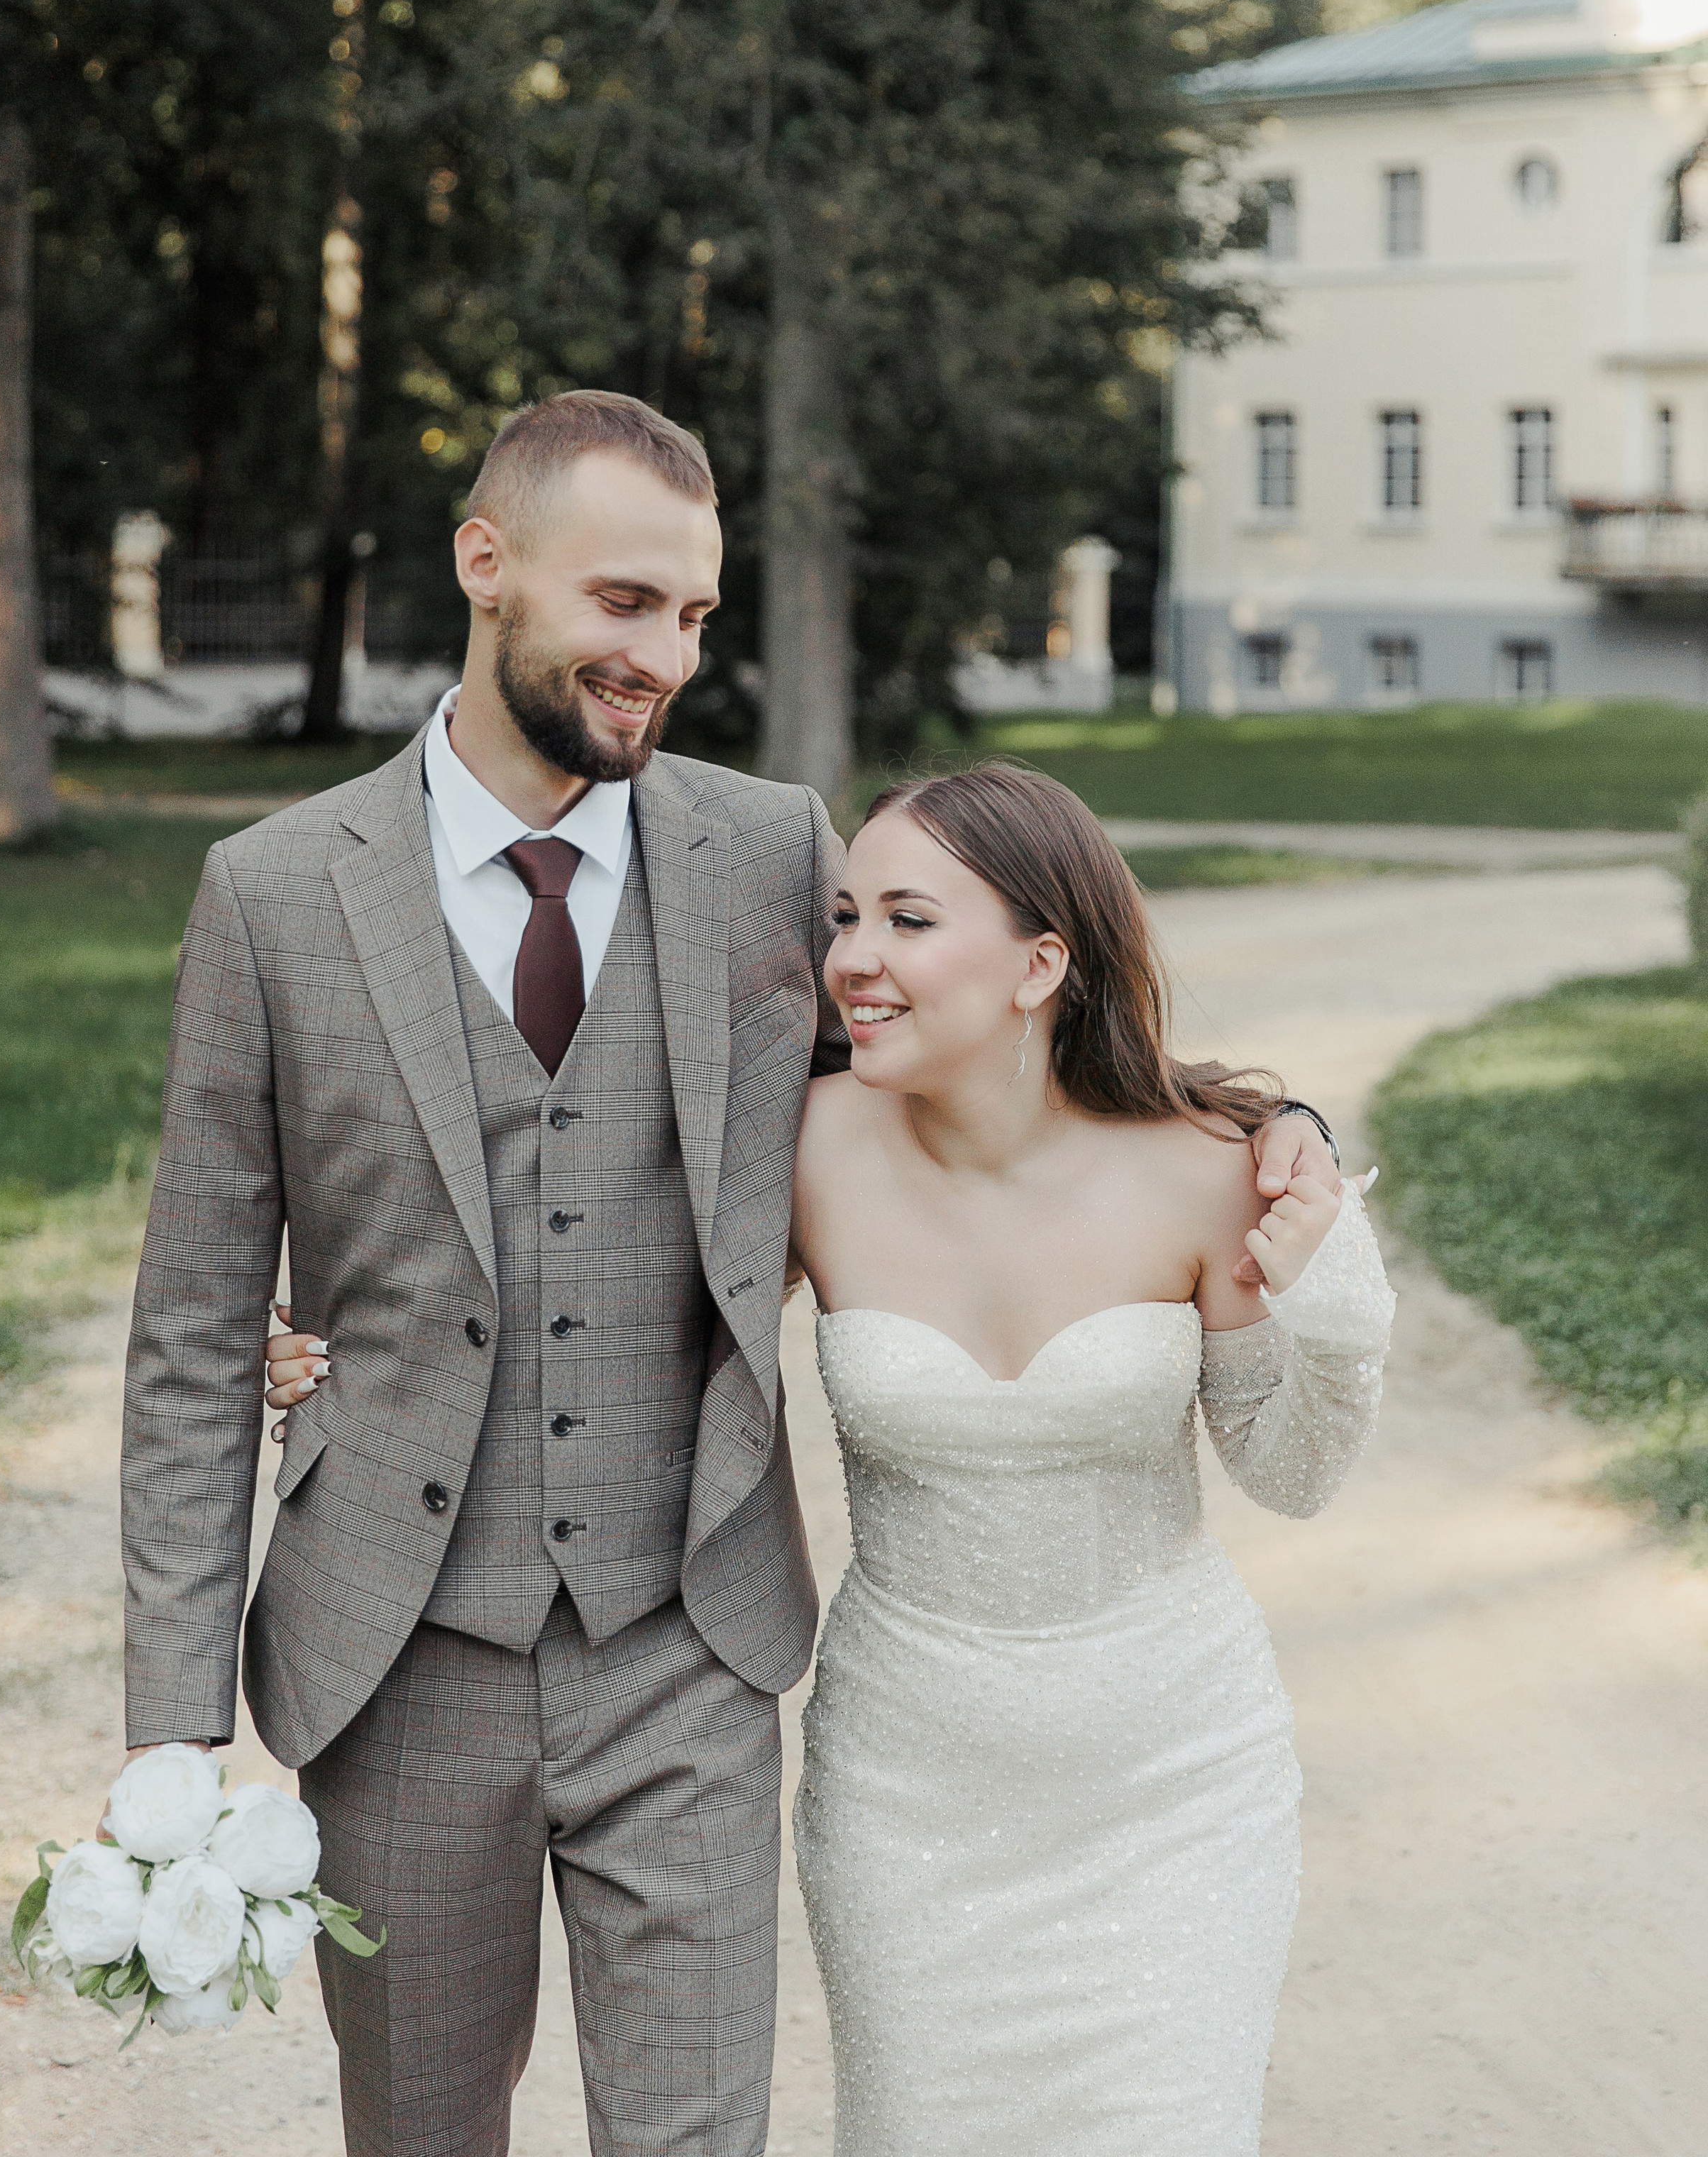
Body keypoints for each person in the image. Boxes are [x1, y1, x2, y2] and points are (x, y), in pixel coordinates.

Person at [123, 387, 1343, 2157]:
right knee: (415, 2132)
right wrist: (170, 1725)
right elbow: (185, 1330)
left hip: (681, 1644)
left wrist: (1259, 1113)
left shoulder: (766, 852)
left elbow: (991, 1050)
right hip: (391, 1657)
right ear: (487, 565)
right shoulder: (274, 890)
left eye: (694, 616)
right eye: (624, 602)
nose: (663, 656)